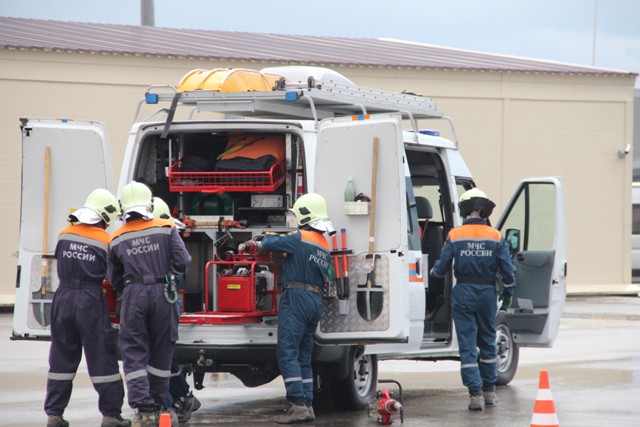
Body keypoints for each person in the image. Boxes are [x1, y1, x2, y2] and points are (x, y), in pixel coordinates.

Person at [240, 193, 333, 424]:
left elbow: (272, 243)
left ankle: (296, 404)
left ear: (304, 214)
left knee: (287, 352)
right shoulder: (324, 244)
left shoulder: (299, 237)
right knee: (303, 355)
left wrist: (257, 241)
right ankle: (307, 404)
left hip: (296, 297)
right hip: (315, 300)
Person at [44, 188, 131, 427]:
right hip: (90, 300)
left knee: (61, 358)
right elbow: (114, 275)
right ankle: (111, 415)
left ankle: (54, 414)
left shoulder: (63, 234)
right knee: (102, 357)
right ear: (105, 215)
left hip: (63, 298)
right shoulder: (106, 241)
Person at [108, 182, 191, 427]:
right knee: (162, 350)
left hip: (133, 294)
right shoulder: (166, 227)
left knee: (134, 352)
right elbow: (183, 261)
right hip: (163, 292)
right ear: (150, 203)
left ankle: (144, 410)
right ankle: (158, 404)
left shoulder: (117, 237)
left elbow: (114, 278)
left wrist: (129, 290)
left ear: (123, 206)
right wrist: (167, 274)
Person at [430, 188, 515, 411]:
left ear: (464, 209)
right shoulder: (496, 236)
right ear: (485, 210)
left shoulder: (455, 235)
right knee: (487, 341)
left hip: (464, 293)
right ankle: (489, 391)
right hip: (487, 294)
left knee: (467, 344)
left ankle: (475, 394)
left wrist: (433, 273)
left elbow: (441, 268)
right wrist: (508, 291)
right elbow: (507, 270)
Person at [153, 197, 201, 423]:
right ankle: (183, 396)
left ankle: (169, 403)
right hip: (165, 302)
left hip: (162, 302)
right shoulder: (170, 236)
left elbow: (179, 272)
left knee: (157, 357)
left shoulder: (166, 237)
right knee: (165, 356)